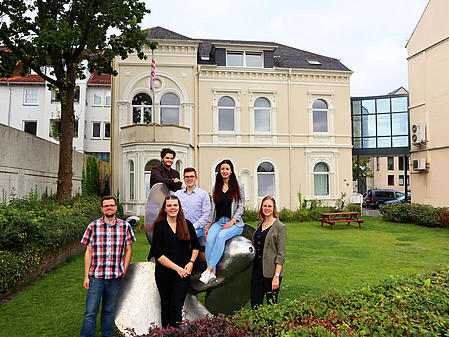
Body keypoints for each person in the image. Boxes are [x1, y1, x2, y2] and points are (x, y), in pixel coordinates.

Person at [80, 196, 136, 337]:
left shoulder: (125, 226)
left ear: (116, 207)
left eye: (111, 205)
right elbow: (88, 251)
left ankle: (107, 335)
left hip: (115, 277)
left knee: (109, 310)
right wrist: (86, 276)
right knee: (90, 312)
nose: (109, 208)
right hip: (96, 277)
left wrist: (124, 268)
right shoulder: (93, 226)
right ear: (102, 208)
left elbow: (129, 250)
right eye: (106, 206)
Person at [150, 195, 200, 328]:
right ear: (165, 209)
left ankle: (175, 332)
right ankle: (166, 333)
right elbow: (158, 254)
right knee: (166, 306)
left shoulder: (187, 224)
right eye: (169, 205)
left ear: (179, 207)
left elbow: (196, 246)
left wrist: (191, 262)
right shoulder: (159, 227)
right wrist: (178, 268)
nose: (173, 208)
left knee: (176, 307)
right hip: (164, 274)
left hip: (183, 275)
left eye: (175, 205)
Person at [199, 159, 245, 284]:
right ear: (219, 171)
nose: (224, 171)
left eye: (227, 169)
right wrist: (208, 225)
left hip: (235, 223)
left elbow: (242, 206)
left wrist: (233, 221)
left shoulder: (239, 186)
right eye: (222, 169)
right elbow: (213, 208)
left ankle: (208, 270)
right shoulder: (216, 187)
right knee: (209, 239)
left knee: (220, 237)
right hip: (218, 222)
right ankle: (213, 273)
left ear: (231, 171)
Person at [250, 196, 287, 308]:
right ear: (261, 207)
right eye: (264, 206)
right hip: (257, 271)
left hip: (271, 273)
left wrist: (276, 276)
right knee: (255, 305)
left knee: (271, 306)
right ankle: (258, 326)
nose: (267, 208)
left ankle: (271, 326)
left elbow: (281, 254)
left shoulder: (280, 227)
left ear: (274, 208)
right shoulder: (259, 224)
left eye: (269, 206)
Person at [174, 167, 211, 240]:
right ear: (184, 179)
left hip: (198, 228)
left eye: (191, 176)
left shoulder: (203, 194)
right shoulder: (177, 194)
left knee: (188, 237)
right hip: (181, 227)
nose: (189, 179)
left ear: (196, 178)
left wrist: (193, 226)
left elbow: (206, 214)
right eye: (187, 177)